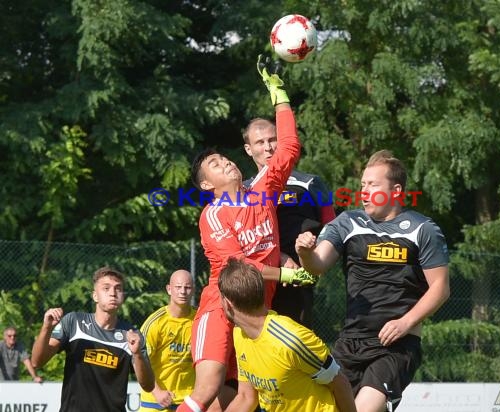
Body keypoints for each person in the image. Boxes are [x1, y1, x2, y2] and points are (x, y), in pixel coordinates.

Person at [176, 56, 318, 412]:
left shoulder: (264, 191)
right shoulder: (212, 216)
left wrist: (279, 94)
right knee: (206, 390)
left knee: (247, 397)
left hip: (256, 310)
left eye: (223, 158)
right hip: (221, 307)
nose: (224, 162)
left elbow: (288, 148)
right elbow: (239, 271)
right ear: (207, 185)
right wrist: (287, 272)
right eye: (215, 165)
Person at [295, 150, 450, 412]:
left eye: (374, 185)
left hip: (396, 346)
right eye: (363, 185)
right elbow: (317, 266)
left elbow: (441, 288)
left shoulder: (422, 229)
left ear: (396, 190)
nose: (365, 192)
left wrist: (405, 322)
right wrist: (304, 253)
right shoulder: (348, 222)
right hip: (350, 342)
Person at [219, 257, 357, 412]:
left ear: (227, 303)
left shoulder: (291, 340)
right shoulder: (240, 334)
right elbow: (246, 397)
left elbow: (339, 383)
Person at [243, 117, 336, 327]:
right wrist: (279, 257)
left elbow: (332, 229)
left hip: (297, 281)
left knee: (293, 349)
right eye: (260, 142)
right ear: (248, 149)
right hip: (256, 282)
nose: (268, 148)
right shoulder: (242, 191)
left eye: (272, 140)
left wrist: (313, 259)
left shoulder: (311, 183)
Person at [31, 266, 155, 412]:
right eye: (106, 288)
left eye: (118, 289)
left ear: (123, 296)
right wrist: (46, 327)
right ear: (95, 295)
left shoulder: (132, 335)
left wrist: (138, 354)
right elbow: (36, 362)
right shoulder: (74, 322)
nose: (113, 293)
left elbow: (148, 386)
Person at [139, 269, 197, 411]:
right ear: (169, 289)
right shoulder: (155, 322)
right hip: (155, 403)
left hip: (189, 402)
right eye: (178, 287)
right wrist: (157, 392)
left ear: (193, 290)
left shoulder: (200, 319)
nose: (183, 291)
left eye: (187, 287)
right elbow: (139, 361)